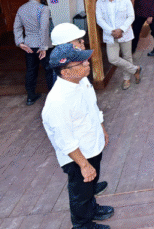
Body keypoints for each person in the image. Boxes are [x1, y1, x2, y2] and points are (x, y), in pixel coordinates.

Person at [42, 44, 113, 229]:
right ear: (65, 72)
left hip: (92, 145)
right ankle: (82, 224)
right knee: (80, 191)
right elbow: (65, 140)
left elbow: (93, 107)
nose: (87, 63)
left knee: (91, 185)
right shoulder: (58, 102)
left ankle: (92, 208)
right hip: (78, 156)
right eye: (80, 62)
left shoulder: (81, 80)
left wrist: (102, 129)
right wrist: (83, 164)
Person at [95, 0, 142, 90]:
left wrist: (121, 29)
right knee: (112, 59)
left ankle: (127, 79)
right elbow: (99, 20)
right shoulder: (99, 3)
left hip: (124, 34)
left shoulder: (125, 1)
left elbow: (131, 17)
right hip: (110, 35)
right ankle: (135, 69)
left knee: (127, 56)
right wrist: (112, 31)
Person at [14, 0, 54, 106]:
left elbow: (17, 27)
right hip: (43, 45)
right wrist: (43, 47)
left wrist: (20, 42)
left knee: (31, 70)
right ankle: (53, 96)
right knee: (49, 69)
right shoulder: (43, 8)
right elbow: (44, 29)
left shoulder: (22, 8)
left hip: (29, 45)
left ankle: (30, 96)